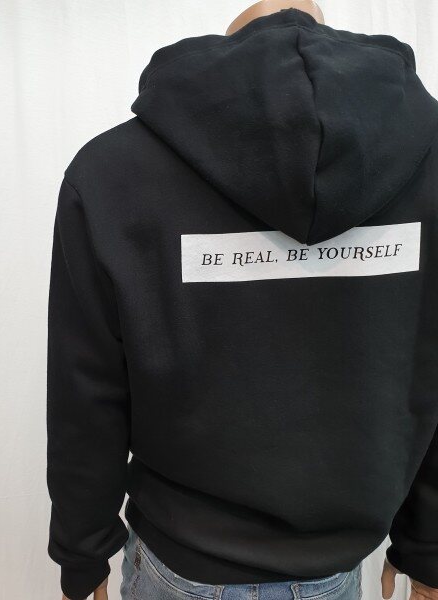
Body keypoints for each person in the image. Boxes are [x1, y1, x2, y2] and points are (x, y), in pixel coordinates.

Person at [46, 1, 438, 599]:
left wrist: (83, 554)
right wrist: (428, 551)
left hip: (179, 564)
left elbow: (86, 392)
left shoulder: (111, 172)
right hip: (331, 568)